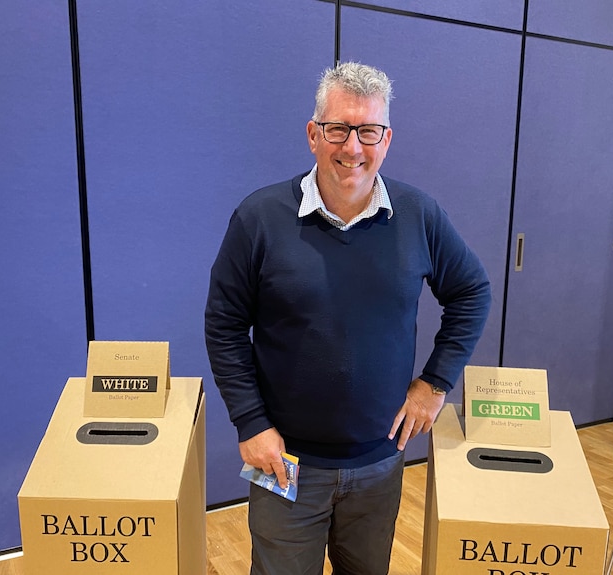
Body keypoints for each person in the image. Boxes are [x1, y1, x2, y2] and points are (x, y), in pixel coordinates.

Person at [205, 61, 491, 575]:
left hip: (379, 461)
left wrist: (435, 382)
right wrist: (250, 422)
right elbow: (224, 324)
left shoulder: (419, 215)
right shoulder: (260, 217)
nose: (353, 147)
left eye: (368, 131)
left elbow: (471, 290)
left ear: (387, 138)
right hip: (282, 460)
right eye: (338, 128)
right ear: (314, 134)